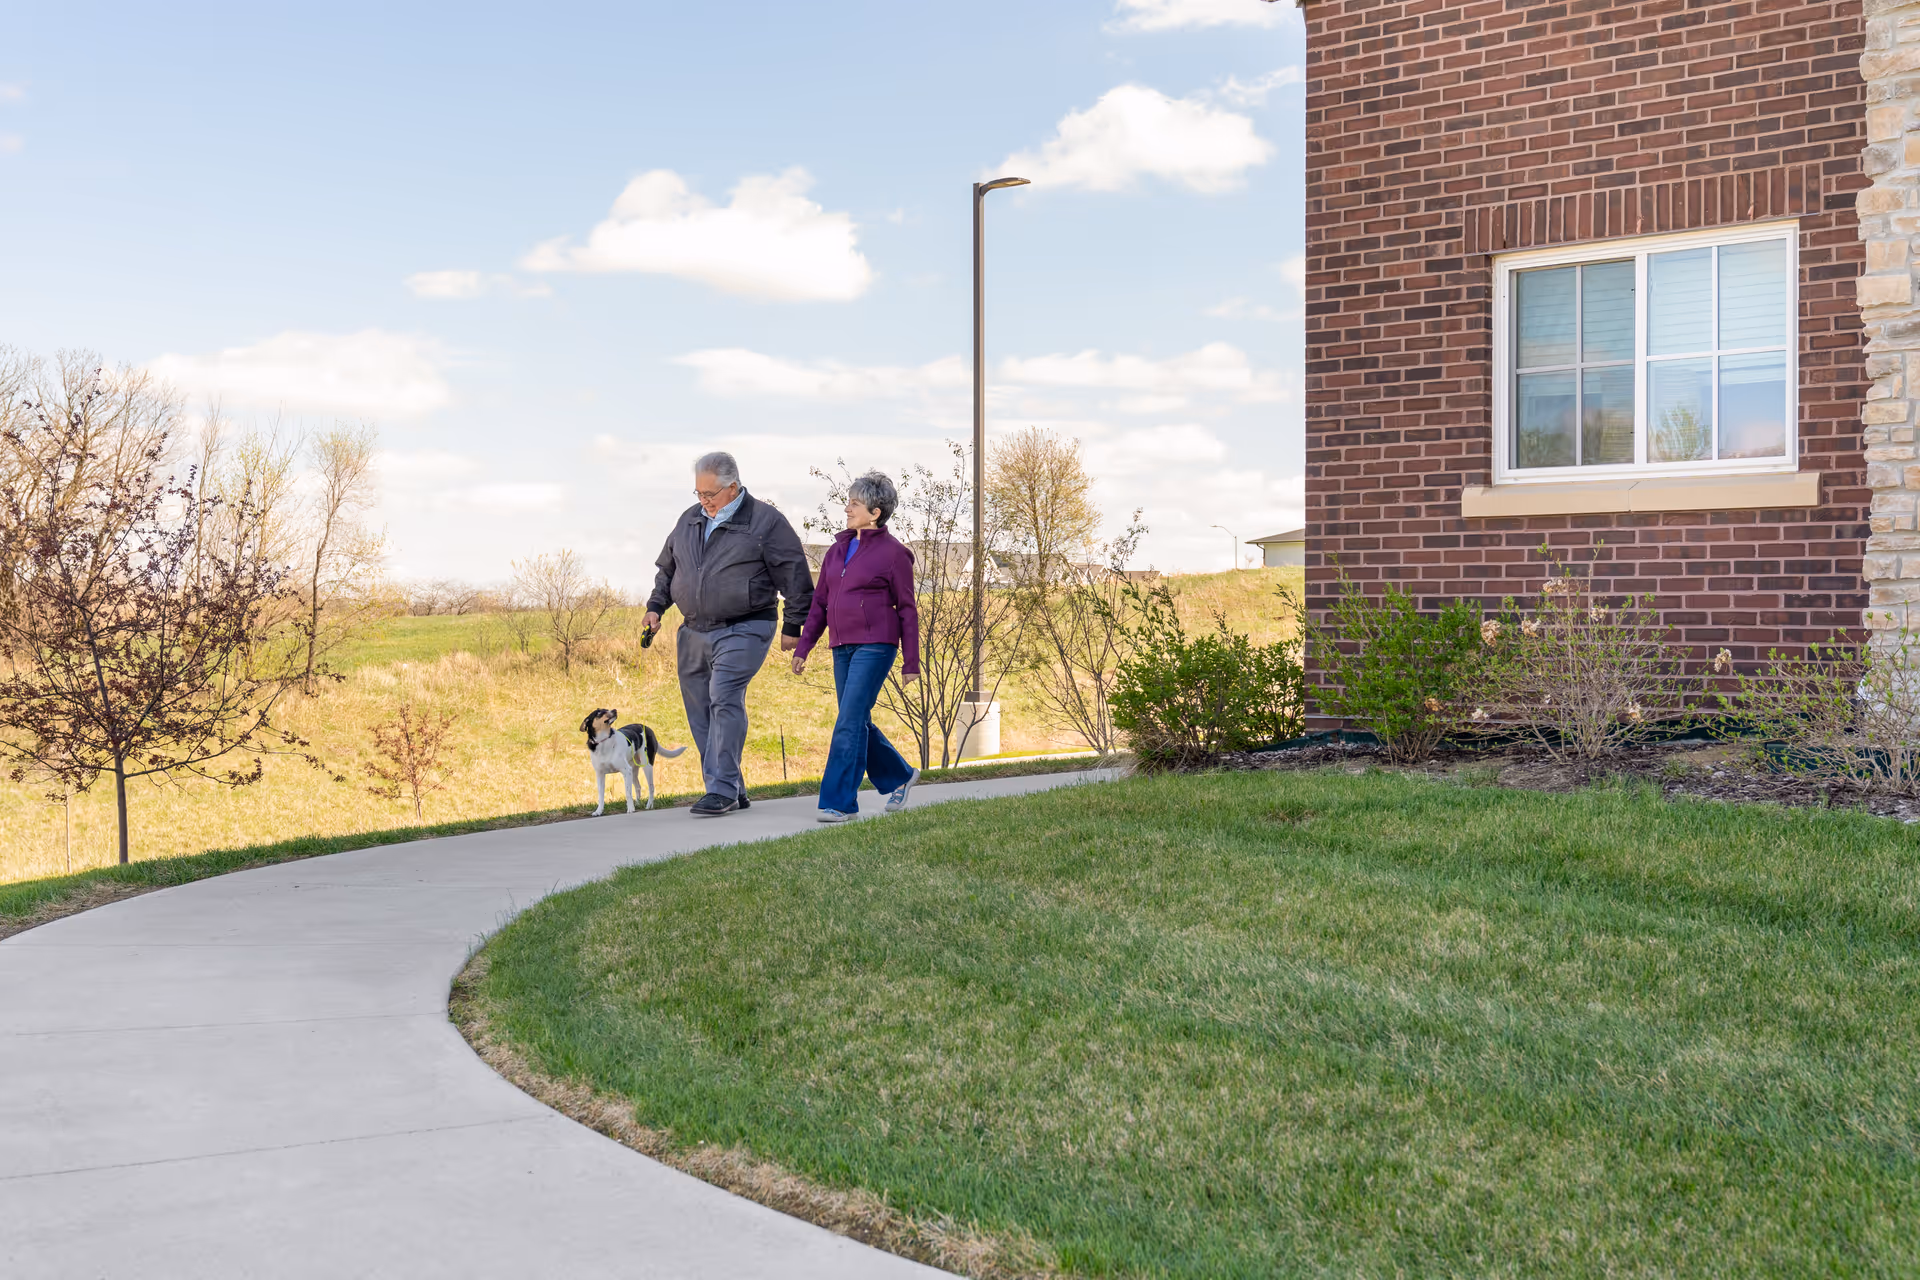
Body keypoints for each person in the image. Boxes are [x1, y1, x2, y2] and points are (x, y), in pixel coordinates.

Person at [644, 451, 814, 817]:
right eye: (699, 494)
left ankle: (720, 789)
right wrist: (655, 608)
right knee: (700, 710)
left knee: (723, 696)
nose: (704, 501)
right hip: (693, 631)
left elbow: (796, 575)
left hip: (746, 625)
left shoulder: (766, 522)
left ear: (733, 487)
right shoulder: (689, 521)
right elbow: (668, 570)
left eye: (711, 494)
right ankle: (731, 787)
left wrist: (793, 626)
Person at [791, 471, 921, 823]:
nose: (847, 508)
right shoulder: (836, 551)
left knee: (848, 721)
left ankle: (838, 802)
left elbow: (907, 609)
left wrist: (912, 662)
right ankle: (900, 775)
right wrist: (803, 648)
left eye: (855, 503)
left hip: (876, 645)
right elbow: (820, 603)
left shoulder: (896, 555)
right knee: (855, 719)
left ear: (875, 512)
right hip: (841, 645)